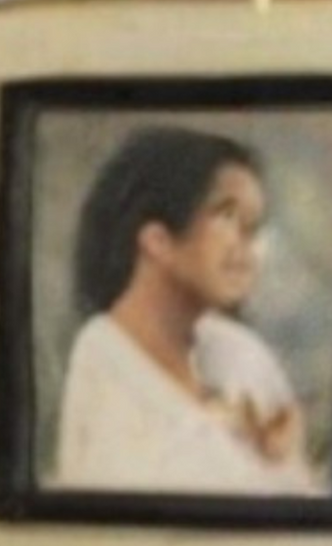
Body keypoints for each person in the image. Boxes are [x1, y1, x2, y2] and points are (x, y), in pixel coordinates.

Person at [53, 124, 306, 497]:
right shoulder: (103, 359)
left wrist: (280, 456)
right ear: (157, 240)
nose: (249, 245)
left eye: (254, 226)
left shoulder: (240, 352)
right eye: (227, 215)